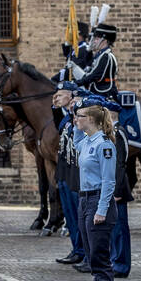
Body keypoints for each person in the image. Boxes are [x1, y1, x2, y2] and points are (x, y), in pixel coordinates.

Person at [73, 96, 118, 281]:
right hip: (85, 200)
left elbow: (109, 181)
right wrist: (75, 116)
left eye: (80, 116)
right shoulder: (87, 141)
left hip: (98, 200)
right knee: (91, 254)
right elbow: (75, 143)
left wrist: (101, 209)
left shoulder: (104, 145)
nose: (76, 120)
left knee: (100, 256)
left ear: (91, 119)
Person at [53, 82, 86, 266]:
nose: (57, 97)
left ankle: (83, 250)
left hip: (76, 171)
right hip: (64, 170)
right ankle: (76, 248)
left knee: (78, 213)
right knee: (70, 214)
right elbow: (58, 126)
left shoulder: (81, 120)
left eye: (61, 94)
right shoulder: (67, 118)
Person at [106, 100, 133, 279]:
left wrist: (116, 190)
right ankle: (115, 260)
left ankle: (121, 264)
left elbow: (120, 163)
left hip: (118, 189)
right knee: (113, 228)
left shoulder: (118, 132)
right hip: (111, 187)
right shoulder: (110, 133)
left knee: (120, 228)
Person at [70, 23, 119, 99]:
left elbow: (94, 76)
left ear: (104, 40)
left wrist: (76, 83)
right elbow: (88, 69)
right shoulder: (100, 54)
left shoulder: (106, 56)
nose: (95, 41)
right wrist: (88, 51)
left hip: (104, 93)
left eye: (97, 39)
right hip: (97, 91)